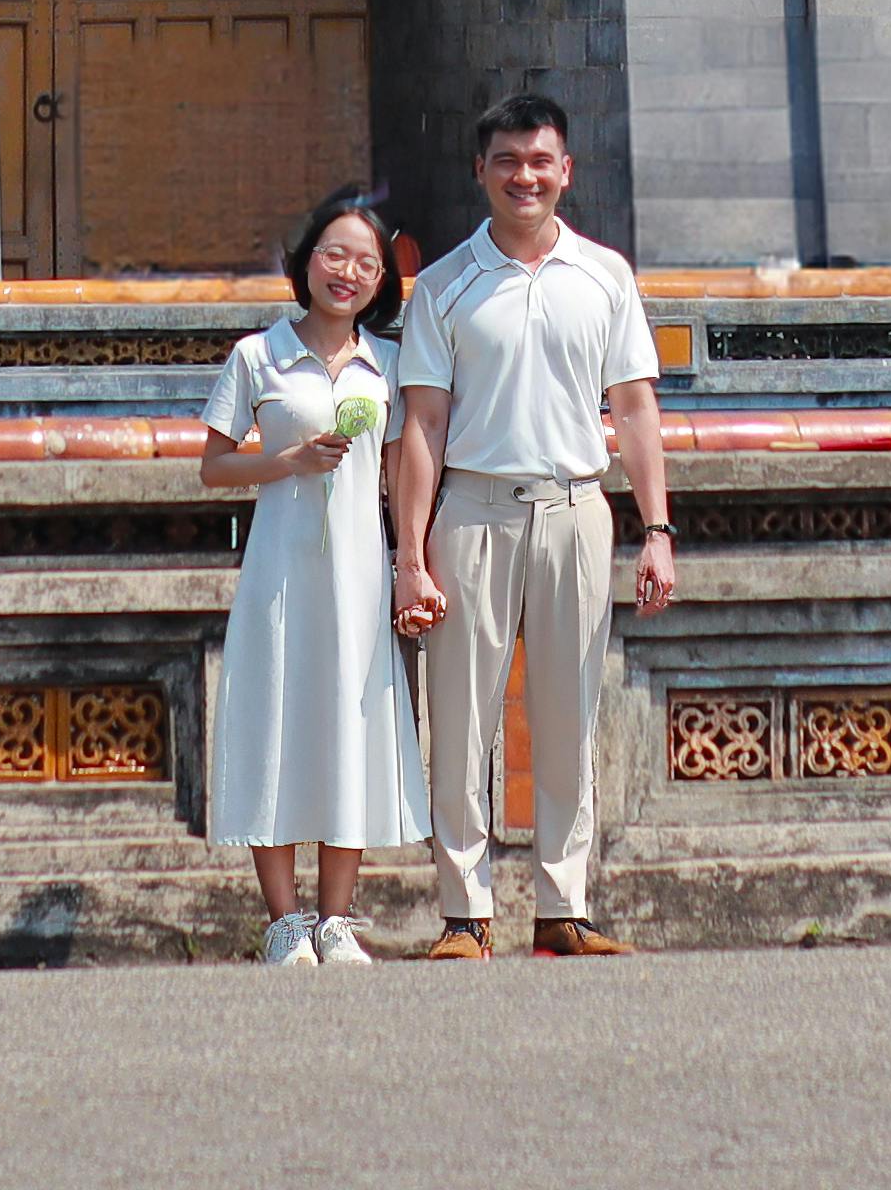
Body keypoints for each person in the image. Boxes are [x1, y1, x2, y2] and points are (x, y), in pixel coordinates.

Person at [383, 91, 671, 959]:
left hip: (575, 507)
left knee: (569, 713)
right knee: (460, 718)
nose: (524, 177)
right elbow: (423, 425)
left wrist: (657, 529)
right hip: (472, 511)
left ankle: (562, 906)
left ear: (566, 171)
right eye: (507, 161)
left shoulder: (605, 276)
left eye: (540, 161)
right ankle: (464, 912)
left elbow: (634, 408)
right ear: (480, 170)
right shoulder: (444, 286)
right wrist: (410, 555)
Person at [195, 183, 423, 965]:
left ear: (381, 280)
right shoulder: (257, 356)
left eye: (365, 263)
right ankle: (283, 920)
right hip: (279, 575)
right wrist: (286, 460)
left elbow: (401, 472)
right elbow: (214, 467)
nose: (347, 272)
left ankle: (336, 918)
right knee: (277, 724)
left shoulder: (387, 363)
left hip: (358, 576)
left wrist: (412, 564)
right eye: (334, 254)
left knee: (346, 730)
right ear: (306, 261)